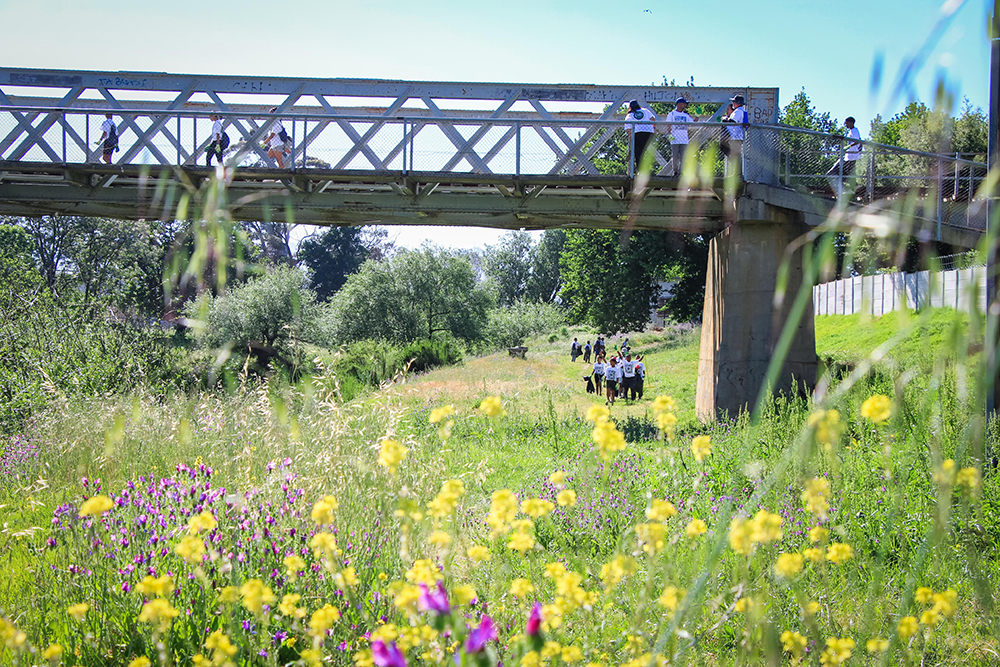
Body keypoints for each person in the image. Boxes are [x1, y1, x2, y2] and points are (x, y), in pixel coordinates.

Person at [826, 116, 862, 196]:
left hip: (852, 155)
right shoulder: (851, 131)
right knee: (845, 172)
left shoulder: (854, 130)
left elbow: (857, 141)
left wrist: (848, 146)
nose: (845, 125)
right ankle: (852, 186)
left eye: (846, 123)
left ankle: (852, 187)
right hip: (848, 155)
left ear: (851, 122)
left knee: (846, 171)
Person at [624, 100, 658, 175]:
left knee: (638, 152)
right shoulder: (645, 110)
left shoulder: (630, 115)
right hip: (649, 132)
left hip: (638, 132)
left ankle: (640, 170)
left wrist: (631, 138)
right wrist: (654, 128)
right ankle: (644, 169)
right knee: (642, 150)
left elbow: (628, 129)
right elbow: (652, 119)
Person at [665, 97, 696, 177]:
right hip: (675, 139)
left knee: (683, 158)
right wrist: (670, 134)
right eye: (683, 104)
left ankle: (681, 173)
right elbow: (669, 125)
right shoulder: (671, 114)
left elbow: (693, 123)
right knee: (675, 157)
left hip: (684, 140)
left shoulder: (686, 115)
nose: (684, 105)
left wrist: (697, 116)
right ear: (678, 104)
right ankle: (675, 172)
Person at [722, 95, 748, 179]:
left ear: (737, 103)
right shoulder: (741, 110)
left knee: (735, 156)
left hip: (736, 137)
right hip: (737, 136)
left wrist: (725, 119)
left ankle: (737, 174)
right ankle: (736, 173)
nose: (733, 103)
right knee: (734, 155)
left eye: (734, 102)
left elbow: (732, 121)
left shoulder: (738, 111)